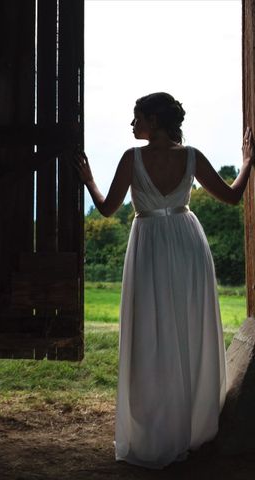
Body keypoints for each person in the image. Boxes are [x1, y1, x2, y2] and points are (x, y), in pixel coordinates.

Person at [73, 92, 254, 469]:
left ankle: (157, 427)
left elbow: (107, 210)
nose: (133, 125)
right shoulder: (192, 157)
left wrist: (89, 181)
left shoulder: (131, 158)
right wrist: (248, 162)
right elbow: (234, 197)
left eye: (137, 117)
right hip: (188, 242)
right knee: (186, 329)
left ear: (153, 120)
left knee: (151, 333)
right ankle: (190, 424)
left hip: (150, 244)